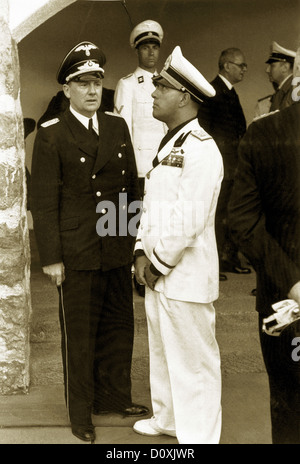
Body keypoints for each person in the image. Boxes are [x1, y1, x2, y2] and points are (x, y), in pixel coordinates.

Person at [30, 41, 148, 443]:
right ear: (66, 90)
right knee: (79, 338)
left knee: (118, 329)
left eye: (97, 81)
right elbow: (43, 203)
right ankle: (80, 414)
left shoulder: (117, 126)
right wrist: (52, 259)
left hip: (114, 246)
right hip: (77, 252)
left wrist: (133, 245)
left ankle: (113, 396)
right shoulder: (51, 135)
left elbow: (131, 190)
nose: (92, 90)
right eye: (82, 82)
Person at [133, 46, 223, 444]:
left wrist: (157, 264)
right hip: (159, 272)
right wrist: (139, 250)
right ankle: (167, 418)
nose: (153, 93)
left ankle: (199, 437)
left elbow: (189, 219)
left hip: (182, 275)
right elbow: (152, 206)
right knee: (164, 352)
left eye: (162, 87)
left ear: (184, 96)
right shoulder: (170, 144)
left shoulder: (201, 149)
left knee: (195, 361)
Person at [228, 95, 300, 444]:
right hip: (285, 307)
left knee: (289, 406)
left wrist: (292, 283)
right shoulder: (265, 133)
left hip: (283, 303)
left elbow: (243, 222)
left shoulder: (263, 132)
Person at [114, 19, 167, 296]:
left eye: (154, 47)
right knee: (135, 222)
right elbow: (124, 132)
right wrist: (128, 170)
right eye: (145, 47)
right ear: (137, 51)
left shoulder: (167, 83)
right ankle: (134, 273)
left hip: (164, 168)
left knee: (159, 221)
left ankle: (155, 269)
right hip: (139, 169)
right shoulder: (129, 84)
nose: (151, 53)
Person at [197, 48, 250, 280]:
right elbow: (205, 130)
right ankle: (215, 264)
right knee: (216, 217)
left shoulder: (228, 91)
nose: (244, 69)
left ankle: (227, 259)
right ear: (227, 66)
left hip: (231, 168)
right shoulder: (211, 91)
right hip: (220, 168)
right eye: (241, 65)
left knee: (228, 215)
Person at [265, 41, 296, 112]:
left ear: (285, 67)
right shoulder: (284, 90)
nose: (267, 70)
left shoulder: (293, 90)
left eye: (272, 66)